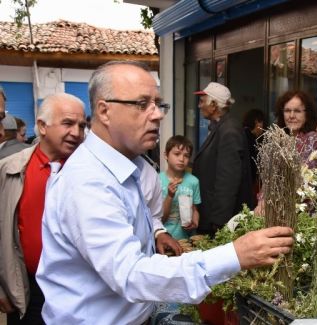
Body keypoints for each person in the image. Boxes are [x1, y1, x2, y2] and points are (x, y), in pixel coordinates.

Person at [36, 61, 293, 324]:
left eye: (158, 104)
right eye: (141, 104)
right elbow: (131, 274)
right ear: (104, 111)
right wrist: (234, 254)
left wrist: (157, 232)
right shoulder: (87, 181)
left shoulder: (129, 165)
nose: (157, 114)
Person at [0, 93, 86, 324]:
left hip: (81, 293)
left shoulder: (91, 173)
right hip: (28, 292)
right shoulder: (10, 170)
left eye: (82, 125)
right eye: (67, 123)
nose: (77, 133)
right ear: (42, 126)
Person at [192, 82, 255, 237]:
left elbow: (228, 180)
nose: (199, 106)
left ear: (213, 105)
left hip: (221, 221)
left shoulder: (229, 131)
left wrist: (219, 222)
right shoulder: (221, 126)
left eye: (202, 101)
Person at [160, 135, 201, 240]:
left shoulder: (193, 181)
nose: (182, 159)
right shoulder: (157, 180)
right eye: (177, 154)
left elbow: (195, 209)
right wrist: (169, 196)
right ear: (166, 155)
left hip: (187, 239)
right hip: (165, 238)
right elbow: (159, 219)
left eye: (186, 156)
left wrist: (195, 221)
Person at [274, 90, 317, 164]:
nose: (292, 116)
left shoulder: (315, 141)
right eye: (287, 111)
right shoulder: (278, 141)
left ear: (308, 114)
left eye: (297, 111)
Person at [242, 108, 265, 196]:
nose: (262, 127)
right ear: (256, 122)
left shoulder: (244, 134)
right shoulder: (249, 138)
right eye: (261, 122)